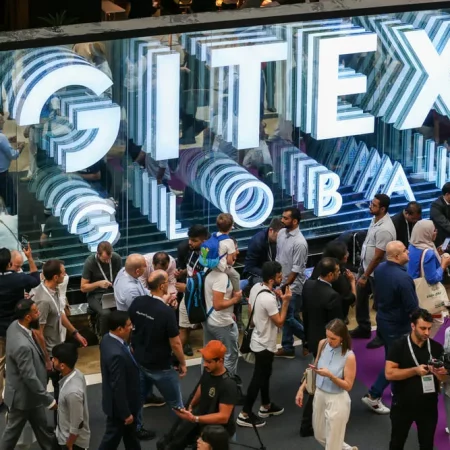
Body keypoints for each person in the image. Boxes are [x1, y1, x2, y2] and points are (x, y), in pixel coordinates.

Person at [361, 241, 419, 415]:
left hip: (384, 320)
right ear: (396, 256)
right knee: (394, 362)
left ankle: (396, 388)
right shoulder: (404, 279)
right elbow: (412, 308)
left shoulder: (380, 269)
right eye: (404, 251)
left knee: (391, 356)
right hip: (398, 325)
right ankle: (373, 395)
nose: (408, 252)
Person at [129, 270, 187, 441]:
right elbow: (175, 343)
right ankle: (184, 435)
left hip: (139, 360)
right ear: (162, 286)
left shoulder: (138, 302)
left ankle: (136, 429)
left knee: (138, 399)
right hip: (161, 366)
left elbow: (133, 326)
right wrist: (182, 363)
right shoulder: (166, 312)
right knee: (176, 403)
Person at [236, 261, 290, 428]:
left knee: (265, 374)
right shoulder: (268, 298)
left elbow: (251, 309)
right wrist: (286, 302)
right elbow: (280, 322)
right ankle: (245, 413)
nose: (282, 278)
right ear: (272, 279)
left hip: (258, 339)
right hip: (265, 343)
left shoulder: (255, 288)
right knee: (258, 378)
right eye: (280, 276)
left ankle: (266, 405)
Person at [386, 308, 448, 450]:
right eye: (423, 328)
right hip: (402, 405)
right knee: (397, 443)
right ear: (412, 326)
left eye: (429, 328)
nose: (427, 332)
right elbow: (389, 373)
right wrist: (414, 371)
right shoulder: (399, 346)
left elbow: (444, 378)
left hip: (428, 406)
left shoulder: (436, 348)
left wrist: (440, 373)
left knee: (426, 445)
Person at [0, 299, 56, 450]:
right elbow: (29, 376)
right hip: (23, 398)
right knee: (11, 434)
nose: (38, 313)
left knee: (42, 428)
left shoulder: (13, 327)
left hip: (31, 395)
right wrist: (48, 399)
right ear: (28, 317)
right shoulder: (22, 346)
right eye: (36, 311)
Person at [33, 260, 87, 414]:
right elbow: (38, 332)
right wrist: (46, 359)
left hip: (56, 348)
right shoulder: (42, 300)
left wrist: (75, 333)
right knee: (46, 392)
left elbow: (59, 314)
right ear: (56, 277)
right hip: (50, 355)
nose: (65, 275)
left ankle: (59, 424)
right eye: (63, 272)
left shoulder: (54, 290)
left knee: (61, 389)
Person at [300, 257, 345, 437]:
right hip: (327, 345)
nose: (340, 273)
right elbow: (338, 327)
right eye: (337, 271)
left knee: (318, 378)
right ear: (330, 274)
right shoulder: (332, 296)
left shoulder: (308, 285)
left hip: (312, 339)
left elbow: (306, 315)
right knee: (320, 383)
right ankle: (307, 424)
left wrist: (305, 340)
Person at [296, 319, 358, 450]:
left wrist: (331, 376)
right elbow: (315, 368)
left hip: (337, 400)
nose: (329, 340)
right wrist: (301, 389)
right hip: (319, 394)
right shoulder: (323, 344)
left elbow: (348, 386)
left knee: (332, 445)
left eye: (333, 338)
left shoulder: (349, 356)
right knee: (319, 435)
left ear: (342, 338)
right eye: (327, 336)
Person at [169, 341, 238, 450]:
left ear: (220, 361)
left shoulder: (228, 384)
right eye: (204, 360)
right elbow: (202, 386)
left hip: (218, 435)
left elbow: (223, 417)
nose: (205, 364)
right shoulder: (208, 371)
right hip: (204, 424)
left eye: (209, 361)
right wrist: (191, 405)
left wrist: (195, 418)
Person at [350, 194, 396, 350]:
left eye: (374, 205)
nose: (370, 206)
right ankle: (363, 328)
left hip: (377, 273)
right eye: (371, 203)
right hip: (366, 267)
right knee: (361, 299)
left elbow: (378, 257)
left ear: (382, 209)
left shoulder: (385, 229)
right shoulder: (375, 220)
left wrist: (365, 275)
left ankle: (382, 336)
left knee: (381, 306)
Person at [0, 246, 40, 407]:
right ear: (9, 263)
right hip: (16, 329)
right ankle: (17, 396)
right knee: (18, 363)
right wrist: (29, 258)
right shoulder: (18, 279)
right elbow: (36, 278)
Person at [98, 311, 142, 450]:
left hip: (118, 403)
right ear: (119, 329)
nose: (131, 327)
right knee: (111, 440)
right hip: (121, 407)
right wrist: (126, 413)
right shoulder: (117, 355)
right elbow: (118, 386)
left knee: (131, 437)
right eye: (129, 325)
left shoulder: (106, 339)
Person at [407, 219, 450, 338]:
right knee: (437, 321)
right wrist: (443, 264)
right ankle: (424, 345)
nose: (435, 232)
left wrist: (438, 252)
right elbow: (432, 278)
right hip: (427, 293)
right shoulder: (429, 253)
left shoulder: (412, 246)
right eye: (433, 230)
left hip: (414, 290)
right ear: (427, 233)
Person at [203, 247, 242, 376]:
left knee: (207, 355)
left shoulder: (210, 271)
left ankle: (206, 384)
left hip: (210, 320)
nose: (236, 253)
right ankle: (228, 386)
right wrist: (235, 299)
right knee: (230, 356)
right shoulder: (221, 277)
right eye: (233, 252)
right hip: (221, 323)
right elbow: (218, 304)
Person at [275, 207, 307, 358]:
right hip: (281, 283)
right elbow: (279, 257)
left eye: (285, 218)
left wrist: (283, 287)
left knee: (287, 317)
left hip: (292, 286)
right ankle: (288, 347)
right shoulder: (281, 233)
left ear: (295, 221)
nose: (282, 220)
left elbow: (295, 271)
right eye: (282, 217)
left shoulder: (300, 243)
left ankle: (308, 338)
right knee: (290, 316)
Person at [176, 224, 208, 356]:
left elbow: (206, 279)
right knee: (183, 326)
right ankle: (175, 355)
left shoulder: (209, 255)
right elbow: (192, 269)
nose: (190, 243)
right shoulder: (189, 250)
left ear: (204, 241)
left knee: (208, 328)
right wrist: (182, 272)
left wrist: (187, 288)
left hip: (202, 298)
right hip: (188, 295)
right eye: (190, 239)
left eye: (194, 241)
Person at [52, 343, 90, 450]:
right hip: (62, 434)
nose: (52, 361)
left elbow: (77, 422)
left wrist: (69, 444)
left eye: (54, 359)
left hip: (72, 442)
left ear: (62, 365)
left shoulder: (72, 392)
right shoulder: (77, 374)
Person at [80, 241, 122, 336]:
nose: (107, 261)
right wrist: (98, 283)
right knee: (105, 314)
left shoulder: (116, 258)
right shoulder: (90, 262)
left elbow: (121, 276)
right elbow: (83, 288)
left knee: (123, 308)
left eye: (109, 258)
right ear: (98, 255)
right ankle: (103, 338)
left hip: (113, 292)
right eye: (104, 260)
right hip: (95, 294)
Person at [311, 240, 356, 321]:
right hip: (335, 317)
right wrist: (352, 281)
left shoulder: (320, 266)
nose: (347, 254)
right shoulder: (339, 278)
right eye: (346, 253)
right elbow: (352, 301)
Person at [243, 217, 284, 288]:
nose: (282, 238)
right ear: (271, 230)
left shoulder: (279, 241)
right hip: (256, 273)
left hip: (272, 272)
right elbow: (250, 267)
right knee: (267, 285)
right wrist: (269, 274)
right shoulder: (257, 242)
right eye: (279, 235)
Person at [0, 113, 25, 214]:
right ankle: (12, 219)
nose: (4, 121)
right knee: (10, 200)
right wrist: (20, 148)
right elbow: (13, 155)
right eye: (1, 120)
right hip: (2, 175)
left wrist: (8, 140)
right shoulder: (2, 138)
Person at [430, 181, 450, 247]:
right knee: (444, 254)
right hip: (443, 239)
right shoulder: (435, 205)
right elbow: (445, 224)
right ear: (447, 194)